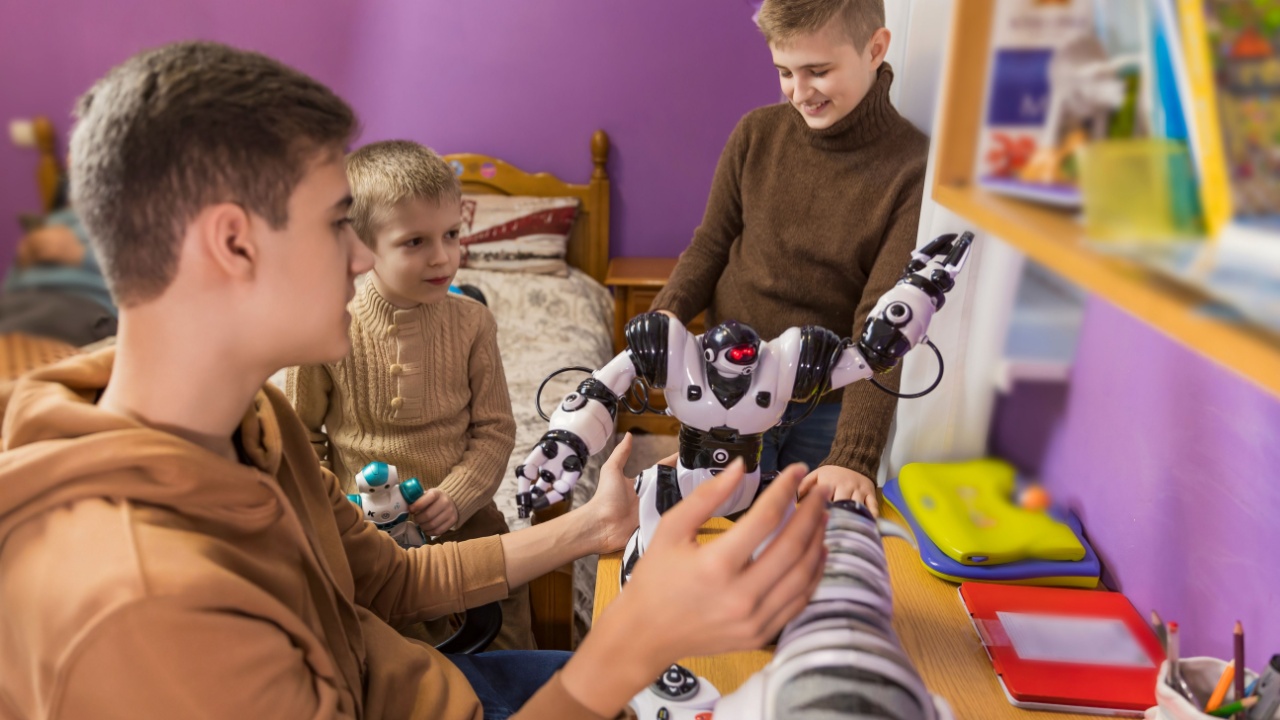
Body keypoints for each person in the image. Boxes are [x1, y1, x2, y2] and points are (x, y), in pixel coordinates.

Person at [0, 41, 827, 720]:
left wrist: (592, 529)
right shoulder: (145, 611)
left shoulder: (253, 422)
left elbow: (388, 580)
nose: (362, 259)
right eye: (338, 227)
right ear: (234, 244)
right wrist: (627, 647)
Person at [650, 0, 930, 516]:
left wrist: (854, 456)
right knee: (715, 527)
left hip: (823, 403)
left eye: (818, 71)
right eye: (785, 72)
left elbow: (883, 323)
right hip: (726, 388)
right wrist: (667, 313)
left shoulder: (911, 169)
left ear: (875, 49)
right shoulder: (756, 134)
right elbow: (712, 242)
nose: (799, 93)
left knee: (801, 538)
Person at [286, 140, 534, 650]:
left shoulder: (474, 323)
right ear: (362, 246)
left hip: (468, 524)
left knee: (506, 642)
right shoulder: (325, 326)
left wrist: (460, 498)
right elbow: (301, 438)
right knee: (393, 662)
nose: (442, 256)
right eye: (415, 242)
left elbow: (495, 430)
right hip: (368, 535)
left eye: (451, 234)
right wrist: (338, 514)